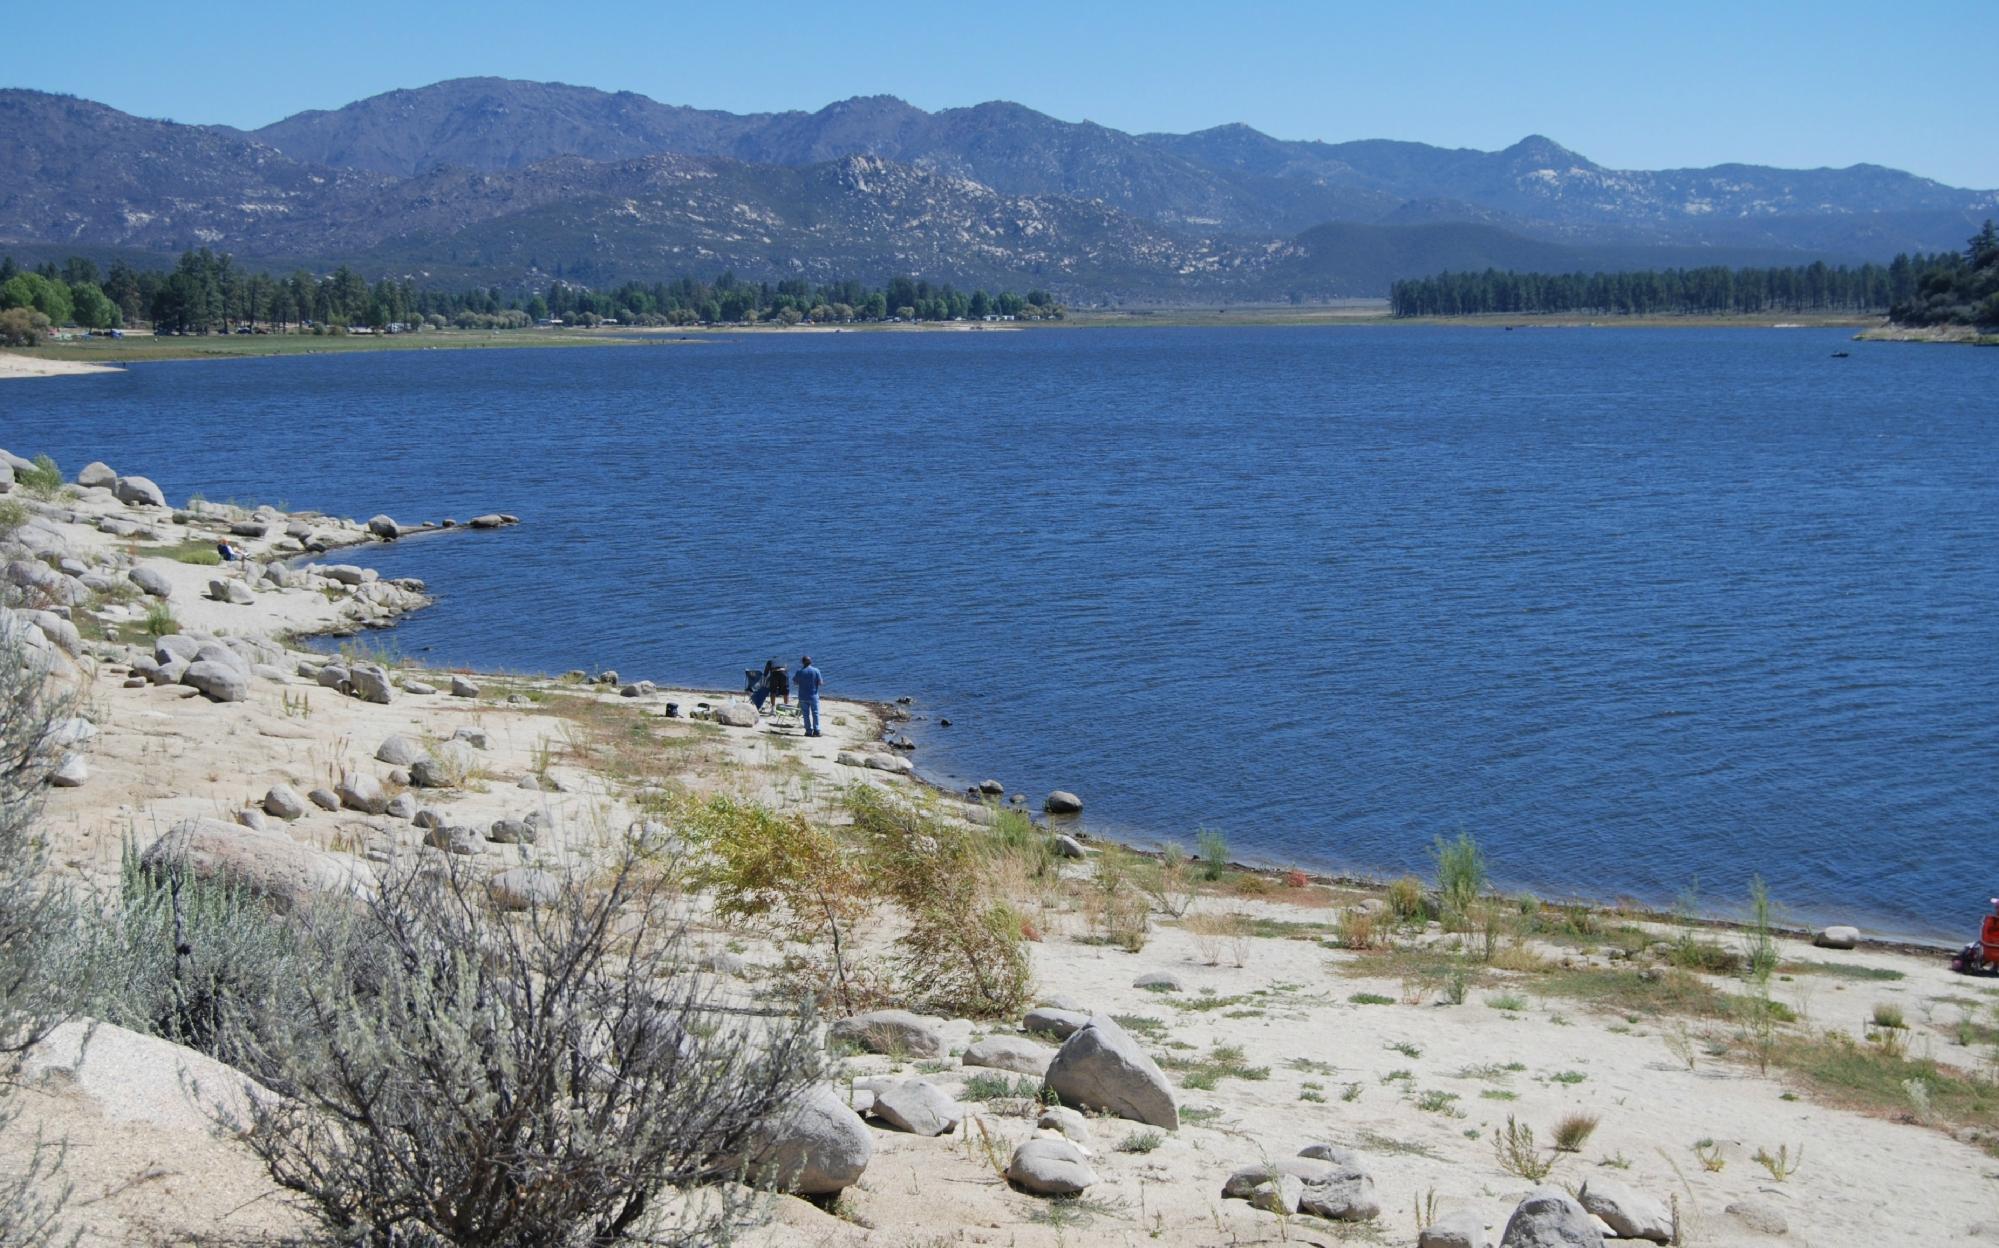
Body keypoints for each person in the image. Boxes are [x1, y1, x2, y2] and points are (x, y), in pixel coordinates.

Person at [793, 655, 823, 737]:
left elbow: (795, 683)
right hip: (813, 696)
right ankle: (816, 730)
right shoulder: (816, 670)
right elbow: (820, 683)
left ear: (802, 662)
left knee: (805, 715)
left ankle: (808, 731)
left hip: (802, 696)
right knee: (815, 713)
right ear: (811, 662)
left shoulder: (799, 671)